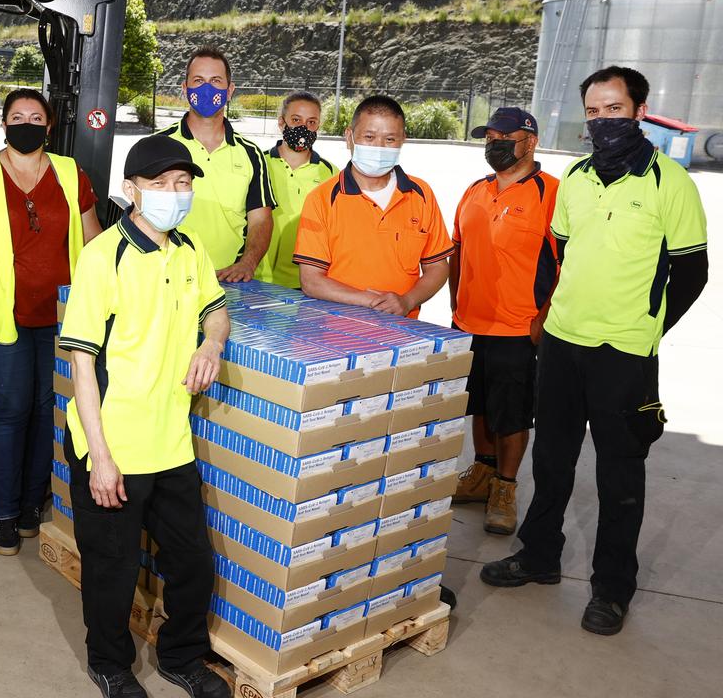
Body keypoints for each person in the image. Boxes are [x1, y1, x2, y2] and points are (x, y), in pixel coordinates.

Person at [481, 66, 709, 636]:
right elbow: (556, 254)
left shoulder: (670, 182)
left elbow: (692, 271)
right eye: (593, 111)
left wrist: (648, 327)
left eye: (613, 108)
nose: (602, 120)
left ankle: (611, 588)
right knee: (551, 460)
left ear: (639, 110)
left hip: (624, 352)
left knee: (620, 473)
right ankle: (539, 558)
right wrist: (547, 316)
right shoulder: (577, 179)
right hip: (562, 343)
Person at [59, 134, 230, 698]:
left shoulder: (190, 249)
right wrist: (101, 460)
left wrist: (211, 345)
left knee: (192, 564)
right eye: (160, 184)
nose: (174, 195)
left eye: (183, 185)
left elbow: (217, 310)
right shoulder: (102, 255)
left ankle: (181, 657)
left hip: (170, 440)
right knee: (112, 571)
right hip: (114, 444)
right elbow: (82, 364)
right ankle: (109, 665)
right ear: (130, 189)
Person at [0, 88, 103, 556]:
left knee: (45, 410)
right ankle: (4, 513)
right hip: (4, 319)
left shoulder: (70, 173)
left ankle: (34, 502)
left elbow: (93, 240)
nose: (27, 123)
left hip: (62, 317)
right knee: (11, 410)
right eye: (17, 116)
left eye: (36, 116)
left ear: (49, 125)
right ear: (3, 124)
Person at [449, 107, 559, 536]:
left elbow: (567, 263)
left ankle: (505, 487)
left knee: (512, 414)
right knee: (480, 404)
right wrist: (457, 306)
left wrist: (542, 320)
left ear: (529, 141)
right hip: (471, 323)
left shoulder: (551, 193)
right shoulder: (475, 191)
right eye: (489, 136)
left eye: (504, 136)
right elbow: (457, 250)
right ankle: (482, 471)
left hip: (519, 328)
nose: (494, 144)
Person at [294, 95, 453, 318]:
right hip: (336, 333)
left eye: (390, 139)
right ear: (349, 137)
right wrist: (375, 302)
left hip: (403, 332)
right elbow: (311, 281)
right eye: (369, 137)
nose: (379, 147)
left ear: (403, 140)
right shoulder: (322, 199)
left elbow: (437, 267)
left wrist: (408, 301)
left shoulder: (421, 194)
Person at [157, 46, 274, 282]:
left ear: (230, 90)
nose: (207, 88)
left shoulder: (251, 154)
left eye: (216, 81)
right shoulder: (159, 145)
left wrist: (247, 264)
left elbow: (261, 220)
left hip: (229, 279)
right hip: (170, 277)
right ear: (185, 88)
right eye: (198, 80)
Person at [257, 91, 336, 287]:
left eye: (311, 122)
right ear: (282, 122)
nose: (304, 128)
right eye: (296, 120)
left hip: (305, 283)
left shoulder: (332, 174)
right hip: (257, 277)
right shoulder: (258, 164)